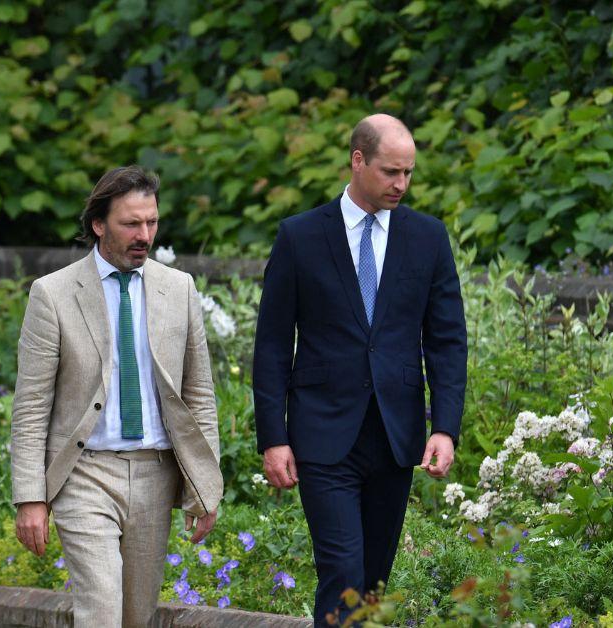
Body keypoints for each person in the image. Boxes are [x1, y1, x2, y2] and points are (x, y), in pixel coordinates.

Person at [252, 114, 467, 625]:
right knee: (343, 573)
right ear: (357, 160)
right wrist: (273, 437)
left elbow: (447, 341)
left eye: (409, 173)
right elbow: (273, 344)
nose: (401, 184)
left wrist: (445, 427)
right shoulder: (300, 237)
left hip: (396, 437)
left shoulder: (428, 238)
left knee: (371, 585)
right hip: (323, 435)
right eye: (391, 171)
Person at [10, 166, 223, 627]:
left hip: (155, 471)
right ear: (98, 224)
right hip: (85, 473)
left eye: (151, 222)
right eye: (131, 223)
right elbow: (30, 405)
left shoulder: (178, 288)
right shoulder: (53, 294)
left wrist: (206, 488)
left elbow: (198, 393)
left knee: (136, 616)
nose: (144, 234)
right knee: (101, 610)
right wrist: (30, 497)